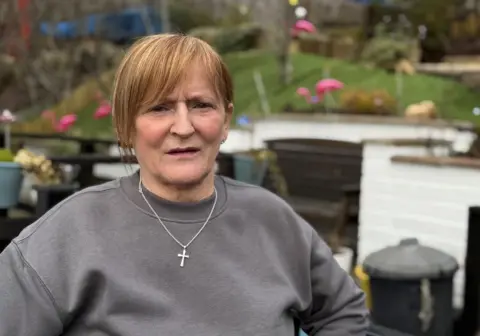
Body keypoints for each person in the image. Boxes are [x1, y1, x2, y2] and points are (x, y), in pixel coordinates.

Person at [0, 34, 368, 335]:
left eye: (200, 105)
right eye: (159, 107)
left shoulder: (272, 220)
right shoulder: (67, 235)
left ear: (225, 121)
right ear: (127, 127)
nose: (183, 127)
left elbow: (343, 312)